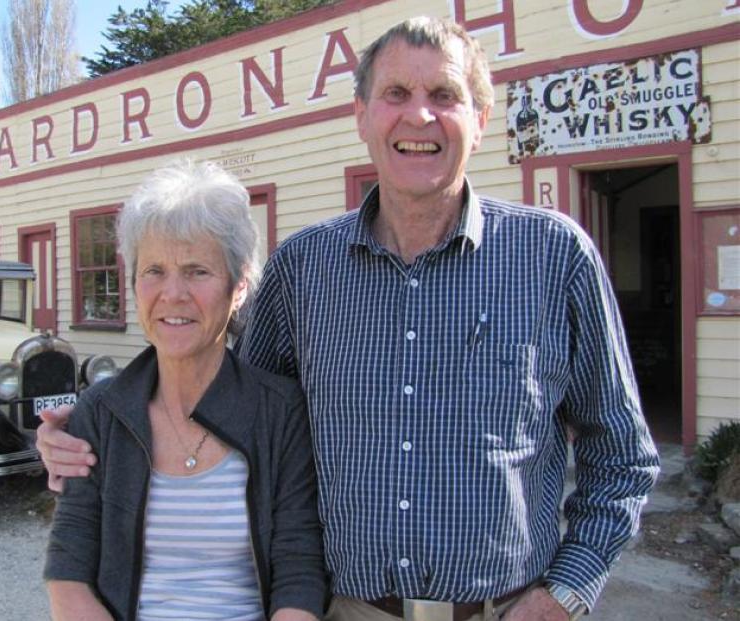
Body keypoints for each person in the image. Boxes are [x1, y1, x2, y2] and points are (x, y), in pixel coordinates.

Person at [39, 16, 659, 621]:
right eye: (395, 93)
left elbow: (624, 458)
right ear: (360, 115)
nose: (419, 116)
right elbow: (236, 412)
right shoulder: (304, 269)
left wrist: (562, 596)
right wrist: (89, 434)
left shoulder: (553, 256)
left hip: (507, 607)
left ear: (481, 118)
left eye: (444, 94)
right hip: (347, 609)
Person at [43, 160, 326, 621]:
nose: (173, 294)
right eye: (154, 270)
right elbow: (68, 573)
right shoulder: (102, 412)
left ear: (238, 288)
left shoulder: (279, 411)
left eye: (197, 271)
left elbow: (300, 573)